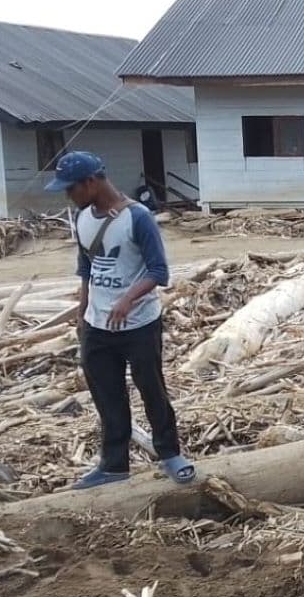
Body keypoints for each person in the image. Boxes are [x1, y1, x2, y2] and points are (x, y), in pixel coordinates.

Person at [46, 151, 196, 490]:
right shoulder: (83, 218)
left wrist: (128, 300)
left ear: (91, 182)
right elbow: (87, 268)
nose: (69, 197)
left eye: (72, 189)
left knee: (151, 388)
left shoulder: (138, 218)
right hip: (98, 325)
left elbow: (159, 271)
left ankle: (170, 453)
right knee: (107, 394)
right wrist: (83, 312)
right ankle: (114, 465)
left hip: (139, 324)